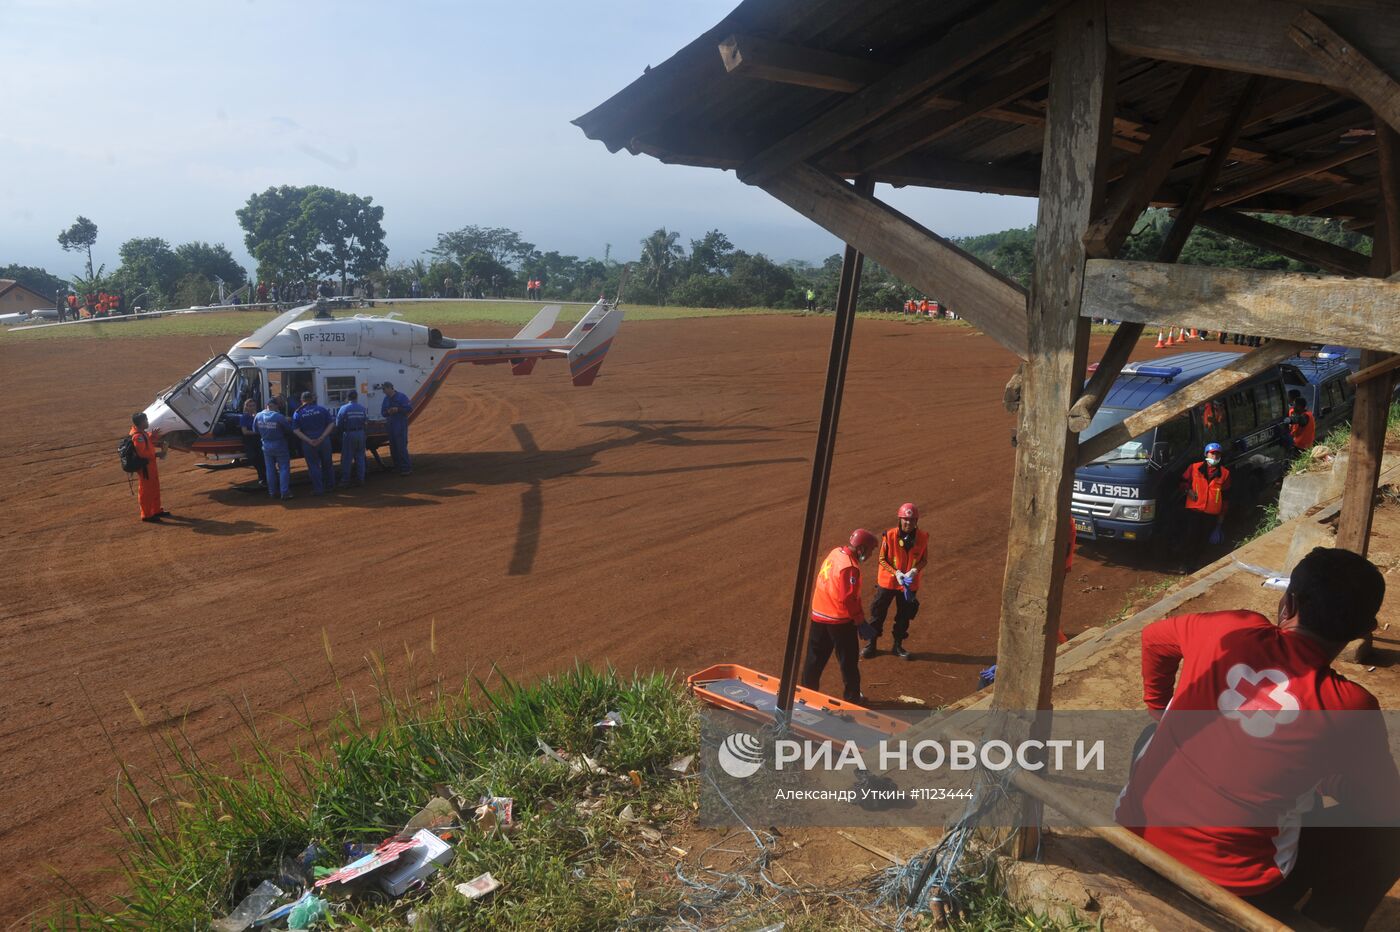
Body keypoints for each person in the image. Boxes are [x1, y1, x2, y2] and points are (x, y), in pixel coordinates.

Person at [1117, 548, 1400, 929]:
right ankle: (1324, 922)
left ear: (1289, 602)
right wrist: (1325, 778)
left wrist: (1158, 705)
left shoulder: (1229, 629)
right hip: (1240, 886)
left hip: (1136, 837)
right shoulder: (1351, 705)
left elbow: (1154, 639)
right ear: (1366, 628)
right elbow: (1381, 803)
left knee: (1155, 733)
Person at [801, 529, 878, 703]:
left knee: (814, 659)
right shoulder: (849, 567)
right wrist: (860, 621)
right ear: (862, 549)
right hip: (839, 621)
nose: (871, 554)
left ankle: (806, 694)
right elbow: (848, 599)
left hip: (819, 615)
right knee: (848, 661)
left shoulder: (835, 553)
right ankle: (852, 697)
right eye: (871, 550)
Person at [863, 503, 929, 660]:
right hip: (888, 582)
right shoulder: (890, 535)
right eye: (905, 520)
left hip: (909, 584)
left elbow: (924, 559)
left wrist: (914, 570)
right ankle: (871, 643)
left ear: (916, 521)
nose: (908, 523)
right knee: (877, 612)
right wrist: (896, 573)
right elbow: (882, 559)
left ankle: (897, 645)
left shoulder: (923, 537)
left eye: (912, 520)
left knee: (904, 615)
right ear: (900, 520)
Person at [1181, 441, 1230, 556]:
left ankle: (1198, 564)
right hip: (1194, 511)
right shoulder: (1194, 467)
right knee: (1190, 537)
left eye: (1217, 454)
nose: (1215, 456)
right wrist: (1188, 490)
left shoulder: (1225, 473)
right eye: (1212, 453)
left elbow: (1226, 496)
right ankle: (1186, 564)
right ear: (1206, 454)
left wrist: (1220, 523)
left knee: (1203, 540)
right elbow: (1183, 482)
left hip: (1210, 514)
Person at [291, 391, 336, 494]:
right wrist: (322, 437)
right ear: (312, 399)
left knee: (314, 466)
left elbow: (295, 430)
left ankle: (318, 489)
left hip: (309, 444)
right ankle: (330, 486)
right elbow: (331, 424)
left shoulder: (298, 413)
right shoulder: (321, 409)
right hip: (324, 441)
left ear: (301, 400)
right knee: (327, 464)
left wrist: (309, 440)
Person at [129, 413, 169, 522]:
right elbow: (141, 453)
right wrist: (156, 455)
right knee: (146, 491)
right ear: (141, 423)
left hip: (150, 466)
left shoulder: (142, 434)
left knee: (154, 487)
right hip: (145, 467)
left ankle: (156, 510)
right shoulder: (138, 437)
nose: (147, 422)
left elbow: (148, 441)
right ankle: (146, 515)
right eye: (146, 420)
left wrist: (153, 436)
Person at [255, 397, 294, 499]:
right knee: (284, 468)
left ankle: (272, 492)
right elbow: (289, 430)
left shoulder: (258, 415)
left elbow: (255, 430)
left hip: (266, 445)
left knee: (270, 469)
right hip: (279, 444)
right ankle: (284, 492)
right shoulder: (279, 417)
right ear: (276, 406)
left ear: (266, 406)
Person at [380, 381, 413, 475]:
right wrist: (388, 412)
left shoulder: (401, 397)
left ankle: (406, 468)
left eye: (384, 389)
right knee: (393, 447)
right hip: (390, 425)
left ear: (390, 388)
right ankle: (397, 467)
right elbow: (383, 413)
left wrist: (398, 409)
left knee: (401, 446)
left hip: (400, 424)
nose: (383, 391)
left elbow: (409, 409)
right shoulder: (386, 399)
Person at [336, 390, 368, 485]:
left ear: (347, 398)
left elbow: (339, 424)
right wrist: (364, 434)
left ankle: (345, 480)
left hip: (349, 434)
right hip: (361, 433)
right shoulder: (362, 408)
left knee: (347, 458)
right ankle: (361, 479)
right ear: (356, 397)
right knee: (360, 457)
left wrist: (339, 435)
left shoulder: (344, 408)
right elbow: (366, 422)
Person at [238, 398, 266, 486]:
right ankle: (262, 477)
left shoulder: (259, 415)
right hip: (249, 441)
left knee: (262, 458)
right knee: (254, 458)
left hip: (259, 440)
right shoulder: (244, 417)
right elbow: (245, 431)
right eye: (250, 406)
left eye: (253, 405)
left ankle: (264, 478)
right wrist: (257, 432)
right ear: (246, 407)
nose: (252, 407)